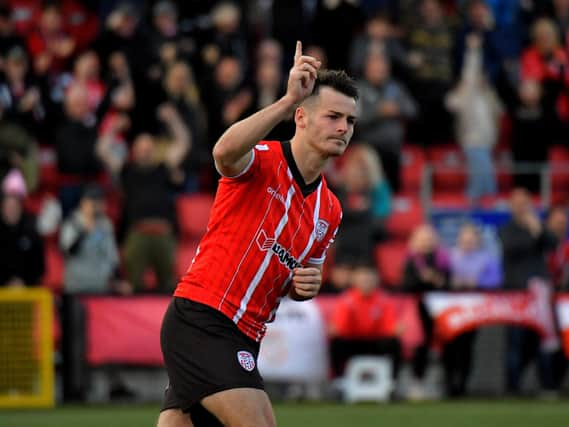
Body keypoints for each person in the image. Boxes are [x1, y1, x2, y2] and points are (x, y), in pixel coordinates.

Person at [157, 41, 357, 427]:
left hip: (246, 335)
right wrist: (284, 100)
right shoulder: (262, 158)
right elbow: (223, 154)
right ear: (301, 117)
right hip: (205, 317)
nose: (343, 128)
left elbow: (297, 282)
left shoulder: (329, 209)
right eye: (333, 116)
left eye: (350, 121)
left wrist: (306, 285)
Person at [499, 188, 559, 395]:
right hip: (517, 294)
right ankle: (512, 387)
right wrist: (534, 235)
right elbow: (514, 247)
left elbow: (552, 243)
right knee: (515, 342)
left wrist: (537, 228)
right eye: (517, 203)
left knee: (543, 341)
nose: (522, 207)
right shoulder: (507, 229)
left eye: (525, 203)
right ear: (511, 206)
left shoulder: (537, 227)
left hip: (538, 296)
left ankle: (547, 385)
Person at [445, 223, 501, 397]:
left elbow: (496, 280)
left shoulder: (487, 258)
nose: (468, 241)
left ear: (478, 240)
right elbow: (441, 277)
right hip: (449, 308)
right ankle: (449, 384)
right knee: (449, 346)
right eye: (465, 238)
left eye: (472, 238)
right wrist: (451, 282)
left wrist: (477, 283)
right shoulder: (449, 257)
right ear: (459, 239)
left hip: (473, 310)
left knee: (467, 347)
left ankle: (463, 384)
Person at [329, 261, 403, 384]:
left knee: (394, 343)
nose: (366, 282)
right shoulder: (346, 300)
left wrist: (395, 329)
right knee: (337, 343)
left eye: (369, 279)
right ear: (355, 281)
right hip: (353, 342)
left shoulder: (384, 300)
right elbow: (339, 328)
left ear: (376, 280)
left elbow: (391, 327)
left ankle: (392, 382)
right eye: (363, 279)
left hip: (376, 342)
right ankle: (339, 381)